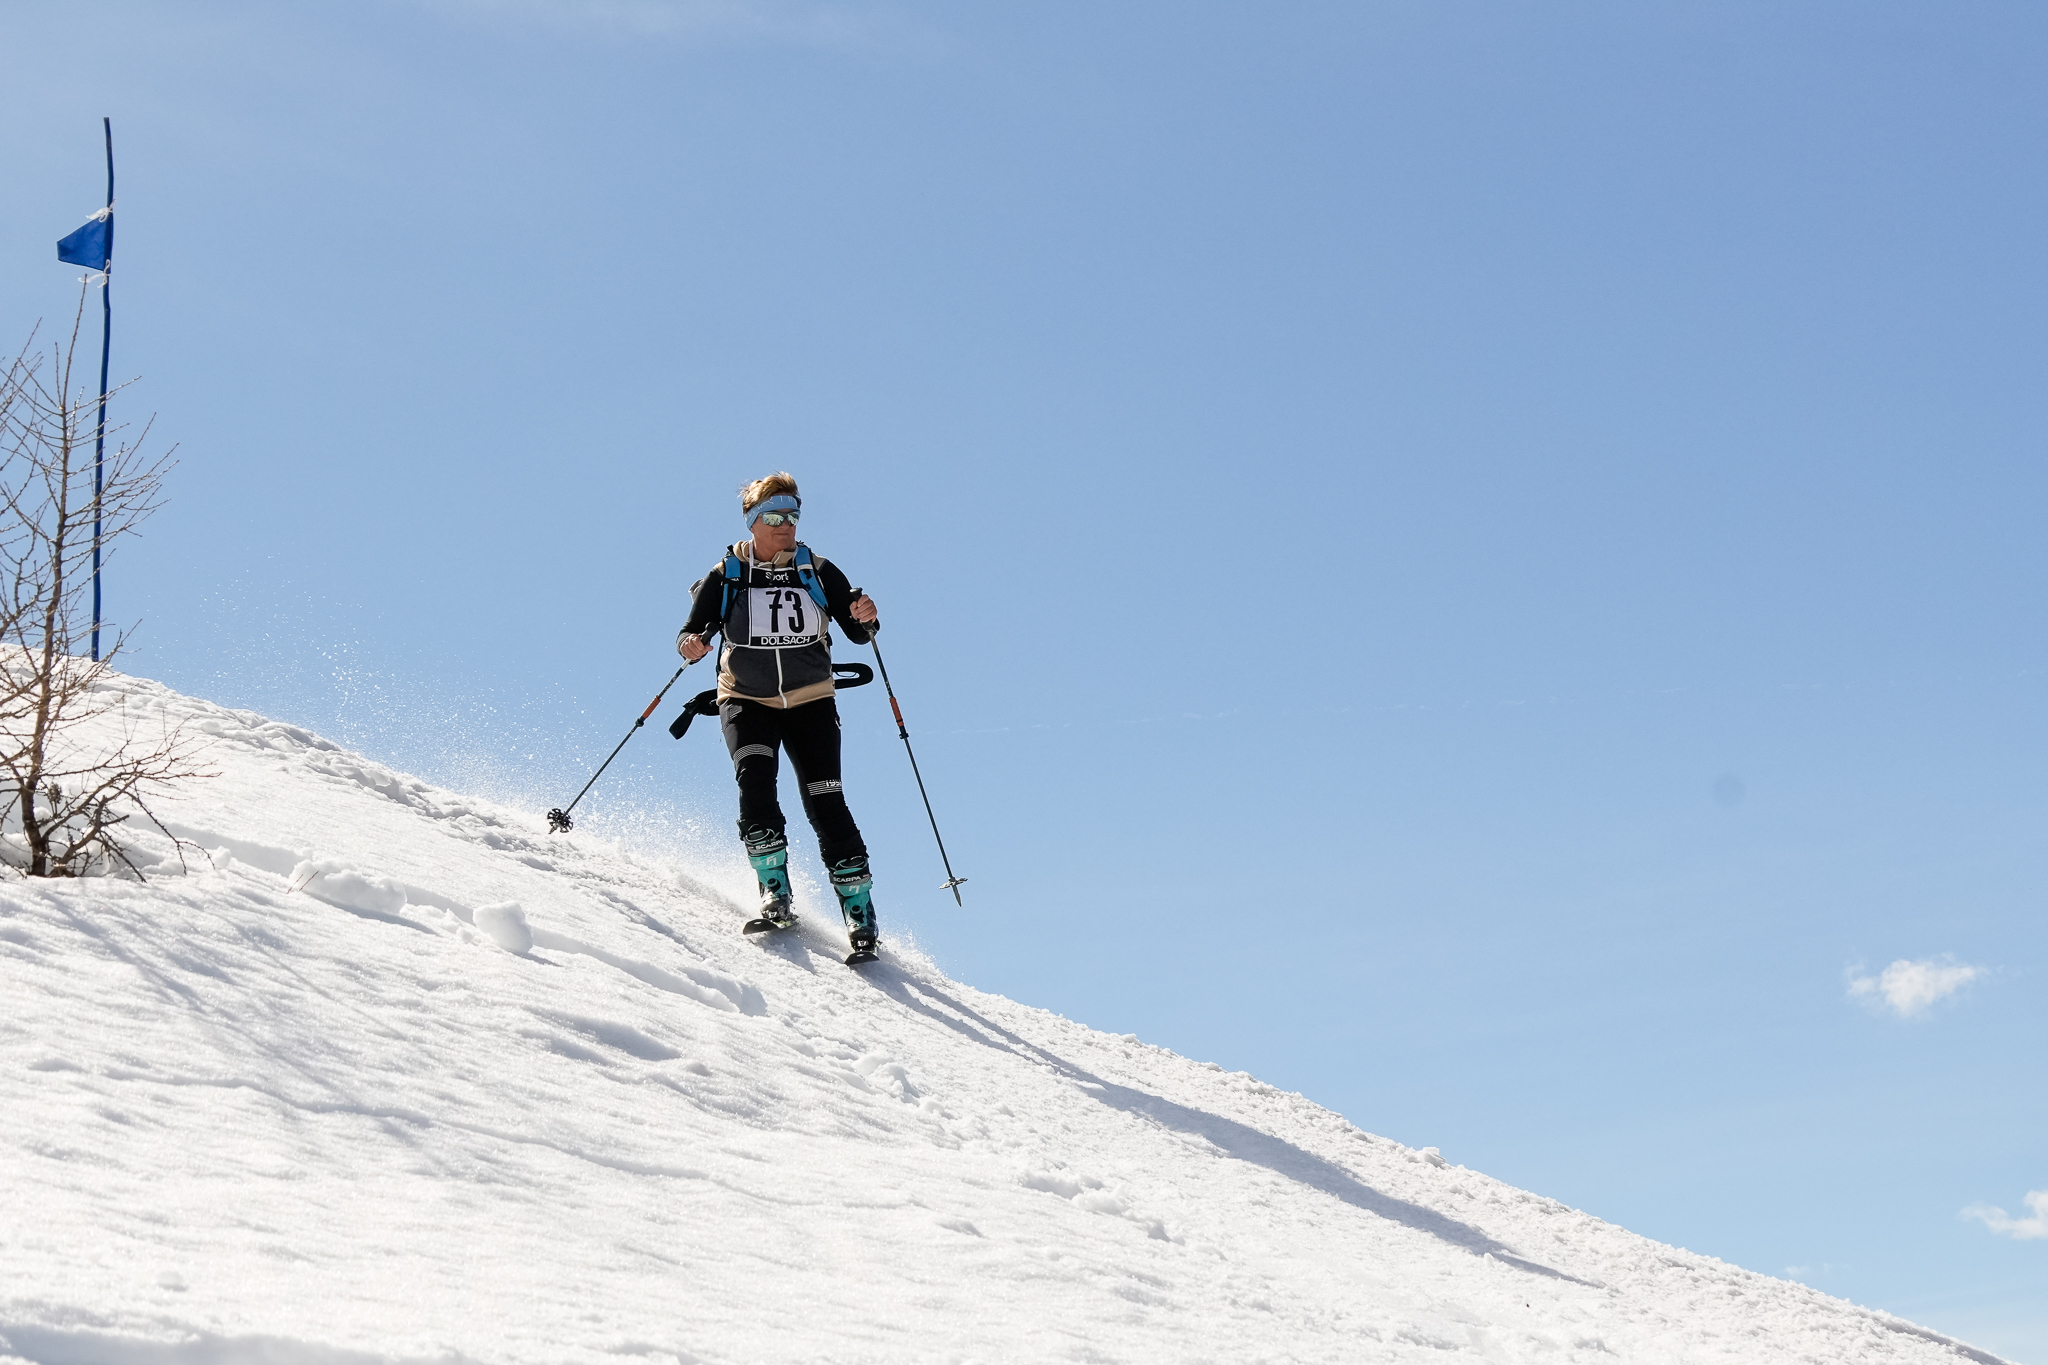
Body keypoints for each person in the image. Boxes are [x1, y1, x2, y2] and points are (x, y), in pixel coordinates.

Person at [676, 473, 883, 955]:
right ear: (752, 521)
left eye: (793, 514)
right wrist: (691, 645)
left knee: (825, 799)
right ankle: (775, 891)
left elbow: (859, 633)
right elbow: (691, 632)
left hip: (811, 699)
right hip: (746, 698)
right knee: (755, 781)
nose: (786, 524)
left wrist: (867, 616)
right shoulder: (727, 574)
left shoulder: (818, 570)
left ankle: (859, 910)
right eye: (774, 516)